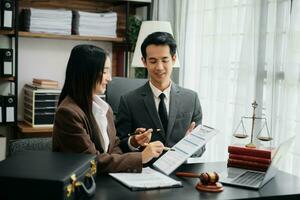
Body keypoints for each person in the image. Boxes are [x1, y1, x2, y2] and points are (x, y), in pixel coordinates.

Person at [52, 44, 164, 173]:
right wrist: (141, 158)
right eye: (104, 72)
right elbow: (91, 162)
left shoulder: (104, 109)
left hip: (106, 180)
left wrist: (133, 142)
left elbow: (114, 147)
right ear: (86, 73)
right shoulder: (68, 113)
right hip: (81, 187)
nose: (109, 78)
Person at [116, 32, 204, 155]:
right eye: (153, 61)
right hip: (144, 170)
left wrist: (190, 146)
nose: (159, 67)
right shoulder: (129, 101)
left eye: (164, 60)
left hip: (180, 170)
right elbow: (119, 144)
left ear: (173, 59)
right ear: (144, 62)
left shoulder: (191, 99)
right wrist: (134, 142)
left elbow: (201, 148)